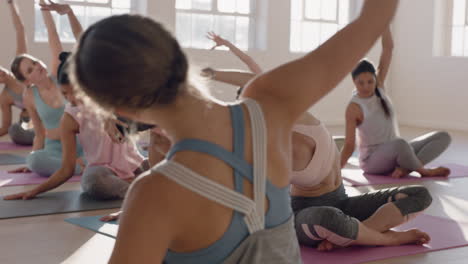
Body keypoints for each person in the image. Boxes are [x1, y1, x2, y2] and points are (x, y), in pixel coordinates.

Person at [71, 0, 400, 262]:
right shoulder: (270, 100)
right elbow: (374, 16)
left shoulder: (153, 195)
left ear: (123, 111)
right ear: (178, 54)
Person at [4, 52, 149, 201]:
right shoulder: (69, 118)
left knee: (164, 167)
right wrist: (34, 191)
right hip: (102, 169)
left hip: (134, 162)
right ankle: (139, 191)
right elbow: (67, 169)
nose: (71, 99)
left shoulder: (108, 97)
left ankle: (143, 184)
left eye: (76, 93)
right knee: (91, 182)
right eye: (65, 94)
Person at [340, 28, 452, 178]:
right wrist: (335, 171)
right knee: (401, 144)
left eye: (369, 82)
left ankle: (404, 169)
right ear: (354, 81)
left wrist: (384, 23)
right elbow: (349, 145)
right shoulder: (354, 107)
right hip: (372, 161)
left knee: (443, 136)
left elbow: (388, 48)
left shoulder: (379, 86)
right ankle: (424, 172)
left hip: (395, 150)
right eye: (361, 83)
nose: (366, 87)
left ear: (375, 79)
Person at [9, 0, 84, 176]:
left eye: (35, 62)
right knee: (34, 159)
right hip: (54, 150)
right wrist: (33, 159)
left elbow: (53, 36)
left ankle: (75, 165)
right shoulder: (30, 95)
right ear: (27, 81)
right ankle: (75, 166)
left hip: (80, 145)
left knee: (102, 155)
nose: (36, 66)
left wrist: (45, 9)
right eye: (30, 69)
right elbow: (39, 133)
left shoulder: (59, 76)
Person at [0, 0, 34, 145]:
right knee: (15, 129)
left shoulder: (20, 66)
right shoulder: (5, 97)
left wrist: (11, 4)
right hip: (31, 125)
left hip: (47, 115)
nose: (2, 74)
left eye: (0, 70)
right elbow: (6, 126)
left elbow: (20, 29)